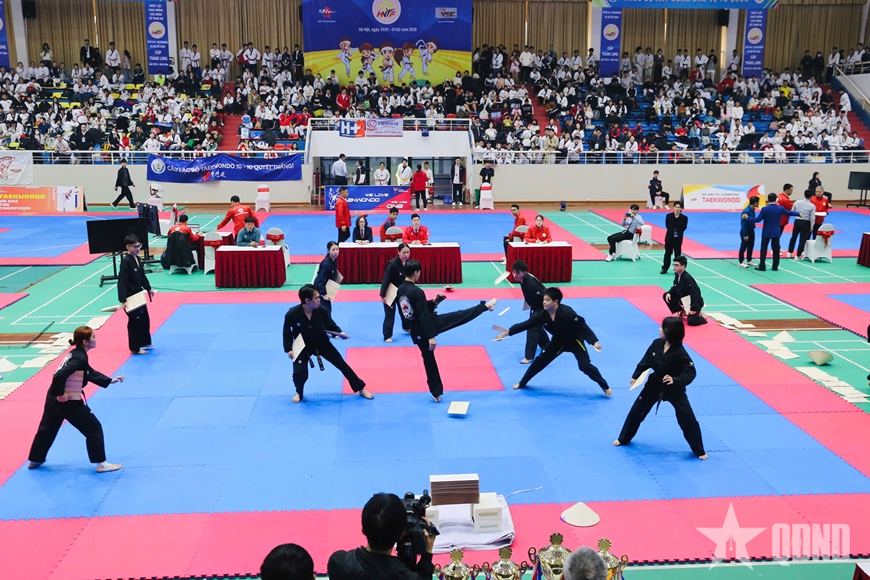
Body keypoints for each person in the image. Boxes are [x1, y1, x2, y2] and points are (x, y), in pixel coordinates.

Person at [27, 326, 126, 473]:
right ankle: (101, 464)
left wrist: (108, 380)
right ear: (85, 342)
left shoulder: (75, 353)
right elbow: (59, 375)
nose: (96, 339)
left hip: (52, 397)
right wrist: (61, 394)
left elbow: (88, 372)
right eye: (93, 337)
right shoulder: (79, 358)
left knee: (48, 428)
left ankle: (35, 459)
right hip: (66, 399)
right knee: (93, 428)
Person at [398, 260, 497, 402]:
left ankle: (436, 393)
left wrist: (434, 302)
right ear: (415, 273)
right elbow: (423, 315)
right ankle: (485, 307)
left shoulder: (401, 289)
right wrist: (430, 336)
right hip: (427, 327)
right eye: (419, 272)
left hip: (416, 330)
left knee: (428, 360)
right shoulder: (417, 291)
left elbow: (413, 309)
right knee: (458, 317)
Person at [614, 316, 707, 459]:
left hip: (674, 389)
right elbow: (646, 361)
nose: (659, 329)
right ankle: (623, 438)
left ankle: (699, 450)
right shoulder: (656, 344)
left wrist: (675, 380)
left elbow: (690, 373)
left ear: (670, 332)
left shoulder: (681, 353)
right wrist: (636, 375)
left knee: (687, 419)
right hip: (654, 385)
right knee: (636, 412)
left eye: (663, 328)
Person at [495, 287, 612, 396]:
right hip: (558, 342)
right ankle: (522, 383)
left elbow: (582, 326)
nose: (544, 302)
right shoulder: (543, 315)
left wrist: (594, 342)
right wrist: (509, 332)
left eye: (547, 300)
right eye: (544, 300)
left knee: (585, 366)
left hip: (575, 341)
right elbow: (527, 324)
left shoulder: (567, 312)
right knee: (540, 361)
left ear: (555, 302)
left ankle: (605, 386)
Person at [282, 284, 372, 403]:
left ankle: (360, 388)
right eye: (316, 298)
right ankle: (299, 392)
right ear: (307, 300)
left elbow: (330, 325)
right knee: (299, 373)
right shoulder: (292, 314)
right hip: (302, 345)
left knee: (341, 364)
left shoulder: (321, 311)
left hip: (321, 342)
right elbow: (287, 332)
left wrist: (340, 333)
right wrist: (289, 349)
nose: (319, 300)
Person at [327, 493, 435, 580]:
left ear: (363, 529)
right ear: (401, 535)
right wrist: (427, 555)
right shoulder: (406, 576)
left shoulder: (339, 563)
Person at [118, 234, 153, 355]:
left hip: (138, 294)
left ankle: (144, 341)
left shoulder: (137, 259)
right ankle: (134, 348)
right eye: (134, 247)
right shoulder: (126, 262)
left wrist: (148, 288)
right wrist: (123, 300)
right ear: (128, 247)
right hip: (130, 296)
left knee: (144, 319)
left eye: (139, 246)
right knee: (135, 322)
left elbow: (142, 276)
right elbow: (122, 281)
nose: (138, 249)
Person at [511, 260, 550, 364]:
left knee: (532, 327)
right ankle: (548, 347)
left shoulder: (531, 284)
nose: (515, 275)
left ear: (524, 272)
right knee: (537, 327)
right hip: (535, 306)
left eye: (517, 273)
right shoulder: (522, 279)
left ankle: (529, 356)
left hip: (542, 306)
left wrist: (547, 310)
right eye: (514, 272)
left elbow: (544, 297)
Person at [753, 193, 799, 271]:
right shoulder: (780, 208)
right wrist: (798, 214)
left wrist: (748, 218)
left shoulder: (765, 209)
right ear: (776, 199)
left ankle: (762, 265)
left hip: (766, 232)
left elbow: (758, 220)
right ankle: (775, 266)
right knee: (776, 249)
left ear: (768, 199)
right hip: (776, 232)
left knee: (764, 249)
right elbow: (789, 213)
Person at [380, 243, 411, 342]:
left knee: (405, 311)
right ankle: (387, 335)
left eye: (408, 252)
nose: (406, 255)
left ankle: (406, 327)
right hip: (390, 291)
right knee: (390, 314)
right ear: (398, 252)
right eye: (404, 252)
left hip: (402, 291)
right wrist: (383, 295)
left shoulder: (408, 263)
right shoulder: (392, 264)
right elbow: (386, 280)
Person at [663, 256, 706, 326]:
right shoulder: (677, 274)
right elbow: (675, 286)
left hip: (694, 302)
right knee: (666, 296)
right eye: (674, 265)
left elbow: (695, 293)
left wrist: (693, 309)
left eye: (676, 265)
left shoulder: (687, 278)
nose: (674, 267)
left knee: (691, 321)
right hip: (684, 299)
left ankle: (703, 317)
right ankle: (683, 311)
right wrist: (670, 292)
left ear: (683, 266)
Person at [787, 189, 816, 259]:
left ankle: (789, 253)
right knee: (802, 239)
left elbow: (792, 212)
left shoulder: (797, 202)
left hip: (797, 221)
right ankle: (798, 255)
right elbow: (812, 218)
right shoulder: (812, 206)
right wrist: (812, 226)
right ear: (811, 196)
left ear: (804, 195)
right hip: (805, 222)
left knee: (793, 237)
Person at [314, 242, 340, 316]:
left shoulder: (334, 260)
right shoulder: (326, 264)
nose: (336, 252)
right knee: (324, 312)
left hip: (327, 287)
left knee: (328, 310)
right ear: (328, 251)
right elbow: (321, 281)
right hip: (320, 290)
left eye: (337, 249)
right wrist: (323, 294)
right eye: (333, 250)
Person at [661, 202, 687, 274]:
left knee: (677, 254)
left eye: (678, 207)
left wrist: (677, 229)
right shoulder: (669, 216)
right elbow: (667, 226)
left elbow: (683, 227)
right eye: (676, 207)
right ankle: (665, 268)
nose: (677, 208)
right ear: (674, 208)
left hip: (678, 238)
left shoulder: (684, 218)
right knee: (667, 253)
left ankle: (677, 269)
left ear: (681, 209)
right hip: (669, 238)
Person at [738, 195, 759, 268]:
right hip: (746, 231)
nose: (759, 204)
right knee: (744, 246)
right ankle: (741, 261)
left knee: (751, 245)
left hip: (751, 230)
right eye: (758, 202)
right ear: (755, 203)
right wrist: (745, 234)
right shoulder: (746, 211)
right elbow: (743, 224)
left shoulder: (752, 209)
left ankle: (749, 260)